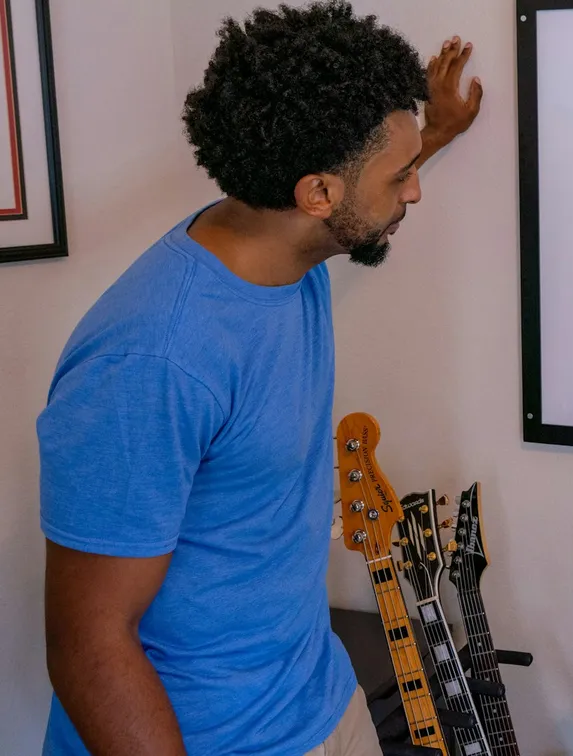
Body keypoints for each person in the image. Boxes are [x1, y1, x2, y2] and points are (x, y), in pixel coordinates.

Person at [37, 3, 482, 754]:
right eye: (402, 175)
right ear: (317, 194)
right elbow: (87, 643)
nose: (413, 192)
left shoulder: (286, 245)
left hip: (318, 699)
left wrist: (428, 134)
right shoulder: (154, 360)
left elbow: (361, 200)